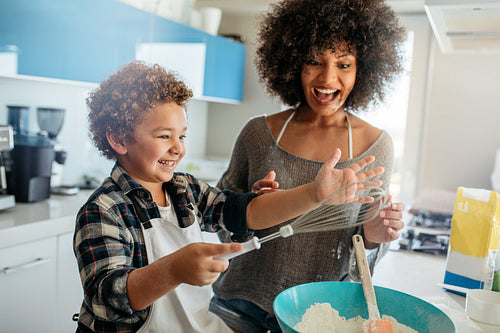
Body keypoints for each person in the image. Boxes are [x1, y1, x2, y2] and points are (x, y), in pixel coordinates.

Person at [73, 60, 384, 333]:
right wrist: (173, 269)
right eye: (163, 136)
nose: (178, 147)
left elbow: (247, 211)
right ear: (118, 139)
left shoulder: (185, 189)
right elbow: (106, 298)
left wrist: (315, 193)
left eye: (181, 135)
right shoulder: (103, 211)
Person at [210, 0, 407, 332]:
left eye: (344, 64)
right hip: (241, 308)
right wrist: (251, 207)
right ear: (292, 64)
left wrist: (373, 237)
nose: (328, 78)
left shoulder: (376, 146)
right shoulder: (259, 134)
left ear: (364, 69)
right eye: (314, 61)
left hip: (320, 317)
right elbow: (217, 217)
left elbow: (363, 256)